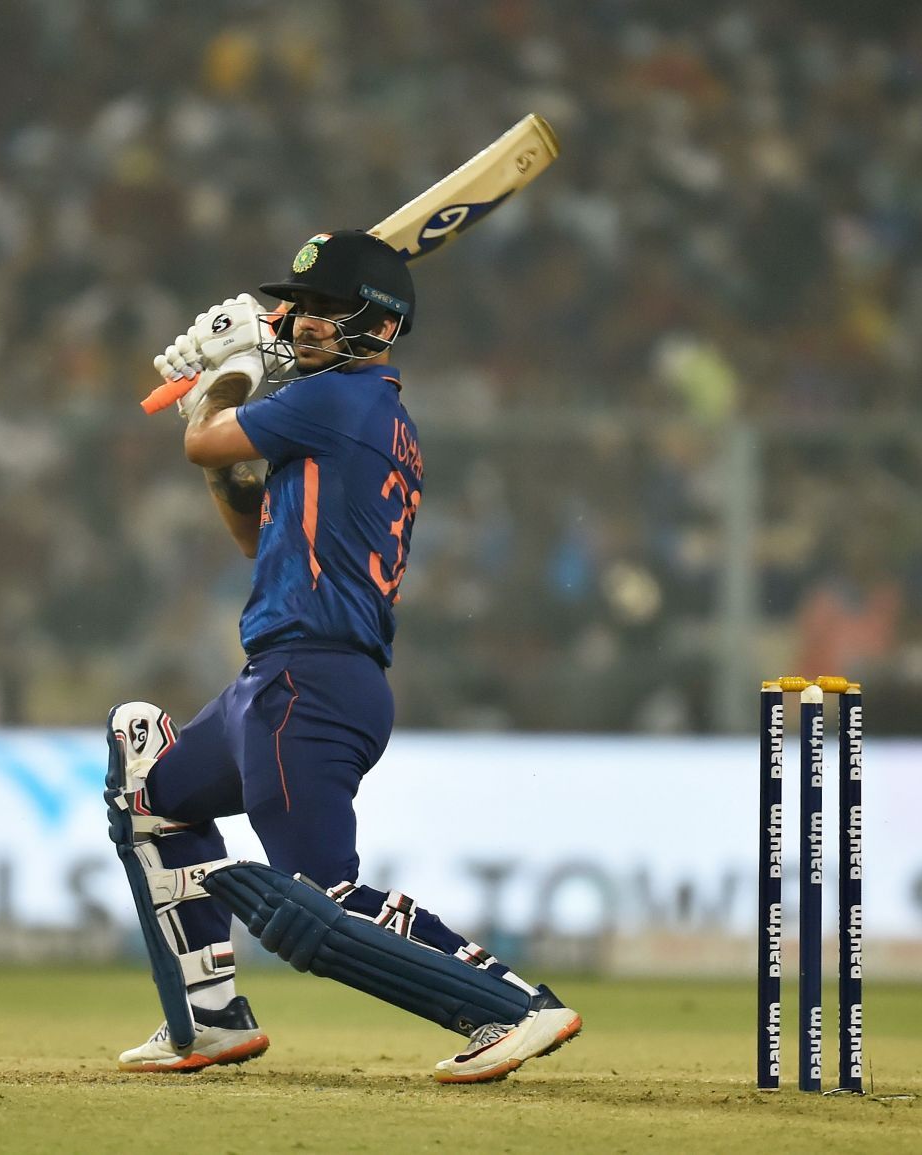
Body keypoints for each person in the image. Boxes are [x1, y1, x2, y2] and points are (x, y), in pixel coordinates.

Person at [102, 230, 581, 1083]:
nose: (301, 321)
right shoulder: (348, 415)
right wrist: (226, 400)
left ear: (380, 328)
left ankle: (513, 1005)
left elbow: (203, 444)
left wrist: (215, 391)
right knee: (153, 791)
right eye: (300, 307)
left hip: (311, 683)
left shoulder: (344, 402)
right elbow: (253, 528)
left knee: (319, 904)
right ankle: (206, 1019)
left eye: (324, 310)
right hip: (276, 679)